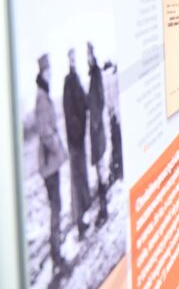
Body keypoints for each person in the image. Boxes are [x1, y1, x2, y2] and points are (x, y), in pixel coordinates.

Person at [35, 54, 67, 274]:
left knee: (57, 206)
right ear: (43, 72)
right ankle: (56, 255)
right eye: (49, 70)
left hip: (49, 165)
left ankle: (55, 250)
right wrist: (57, 146)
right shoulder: (41, 98)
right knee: (56, 208)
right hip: (49, 165)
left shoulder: (43, 95)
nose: (52, 73)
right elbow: (45, 132)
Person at [63, 48, 90, 239]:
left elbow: (83, 102)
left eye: (75, 57)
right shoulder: (67, 81)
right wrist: (77, 132)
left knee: (82, 178)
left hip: (79, 140)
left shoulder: (77, 79)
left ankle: (82, 219)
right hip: (75, 141)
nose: (74, 61)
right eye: (71, 58)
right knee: (77, 180)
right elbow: (69, 111)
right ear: (68, 60)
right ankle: (79, 223)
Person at [87, 44, 109, 227]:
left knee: (101, 169)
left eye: (89, 55)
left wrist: (96, 122)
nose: (88, 59)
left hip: (98, 131)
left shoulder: (97, 75)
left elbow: (100, 100)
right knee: (99, 169)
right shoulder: (92, 76)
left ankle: (104, 210)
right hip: (95, 133)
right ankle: (103, 207)